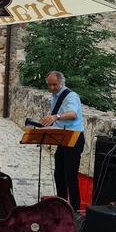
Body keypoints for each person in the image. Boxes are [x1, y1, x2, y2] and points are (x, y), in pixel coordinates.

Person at [41, 70, 85, 212]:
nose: (51, 88)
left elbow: (72, 114)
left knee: (70, 176)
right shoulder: (55, 96)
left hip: (74, 137)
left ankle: (75, 209)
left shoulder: (71, 96)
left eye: (54, 85)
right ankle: (61, 205)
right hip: (63, 136)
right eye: (49, 85)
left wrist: (56, 117)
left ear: (61, 83)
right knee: (58, 174)